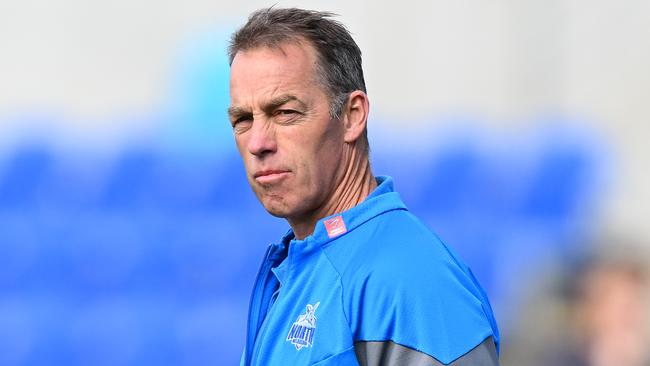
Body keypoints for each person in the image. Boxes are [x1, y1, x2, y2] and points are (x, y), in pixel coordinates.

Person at [227, 7, 500, 366]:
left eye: (285, 113)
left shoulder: (410, 279)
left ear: (353, 116)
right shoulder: (301, 268)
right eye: (243, 119)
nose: (258, 142)